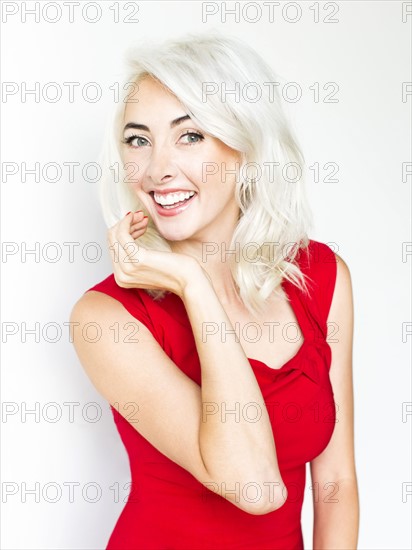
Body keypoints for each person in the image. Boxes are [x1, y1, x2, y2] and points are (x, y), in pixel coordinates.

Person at [70, 32, 359, 550]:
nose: (157, 169)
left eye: (190, 136)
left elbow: (335, 484)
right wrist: (194, 286)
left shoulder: (320, 277)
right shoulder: (106, 318)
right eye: (138, 140)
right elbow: (255, 486)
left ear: (244, 145)